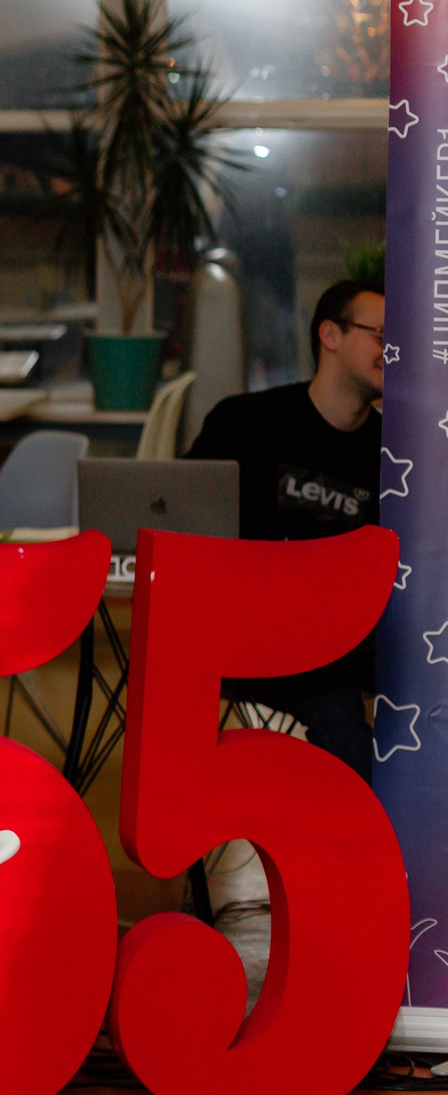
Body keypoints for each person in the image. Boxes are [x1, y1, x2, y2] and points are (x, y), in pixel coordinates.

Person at [185, 274, 385, 778]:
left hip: (345, 641)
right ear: (330, 335)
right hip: (250, 632)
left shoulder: (395, 454)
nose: (394, 350)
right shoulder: (246, 423)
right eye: (382, 336)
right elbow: (178, 516)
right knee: (348, 741)